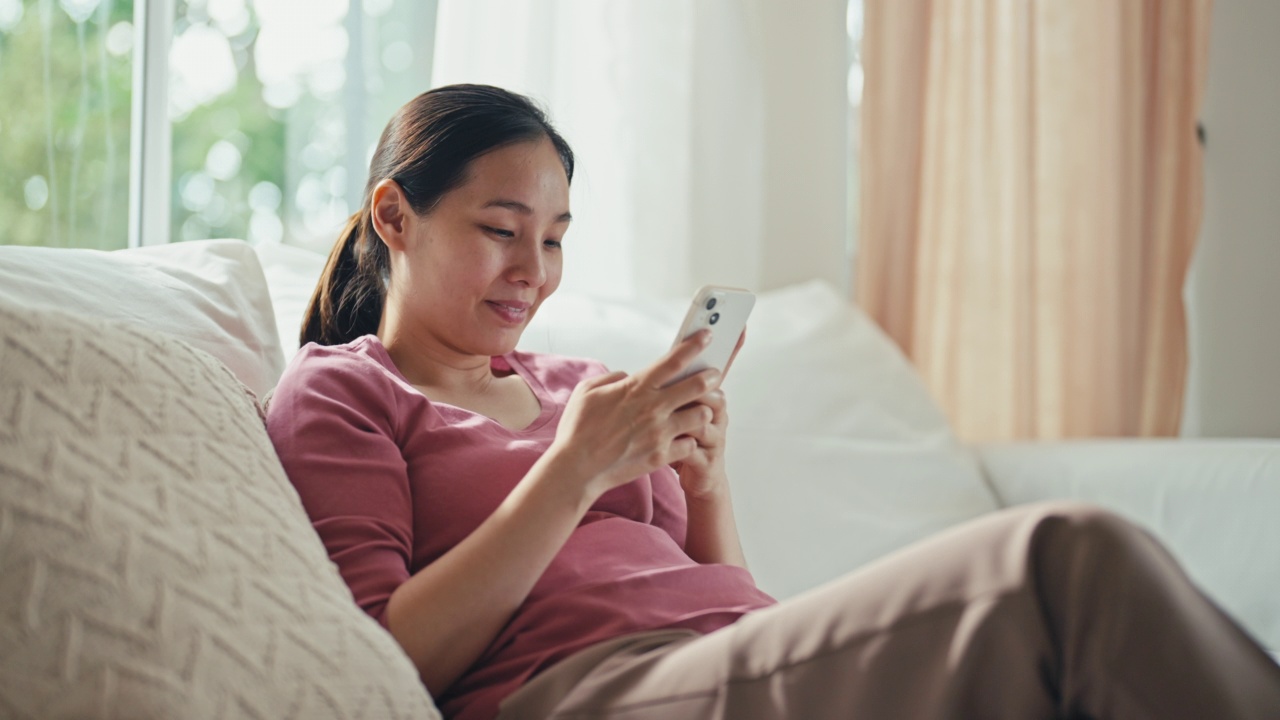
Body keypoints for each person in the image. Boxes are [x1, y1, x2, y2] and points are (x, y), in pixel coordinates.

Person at [265, 84, 1280, 720]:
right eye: (500, 227)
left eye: (557, 237)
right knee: (1060, 562)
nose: (534, 270)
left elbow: (721, 592)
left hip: (728, 655)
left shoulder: (582, 391)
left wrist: (704, 483)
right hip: (581, 691)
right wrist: (571, 472)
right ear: (395, 216)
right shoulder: (344, 392)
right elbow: (386, 658)